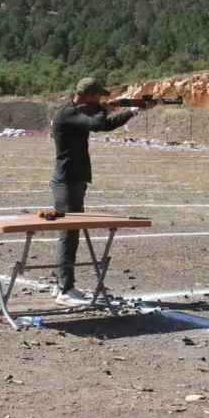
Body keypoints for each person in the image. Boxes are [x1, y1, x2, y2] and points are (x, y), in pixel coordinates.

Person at [50, 77, 152, 304]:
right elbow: (96, 123)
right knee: (69, 232)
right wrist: (105, 109)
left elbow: (104, 125)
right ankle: (65, 289)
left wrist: (134, 111)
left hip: (75, 178)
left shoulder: (80, 113)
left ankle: (63, 286)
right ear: (88, 97)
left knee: (72, 232)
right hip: (66, 179)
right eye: (98, 97)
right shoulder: (66, 113)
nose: (101, 100)